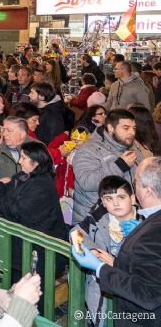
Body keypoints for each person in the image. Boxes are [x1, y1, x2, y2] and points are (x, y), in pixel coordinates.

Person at [72, 157, 161, 327]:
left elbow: (148, 294)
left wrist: (100, 268)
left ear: (146, 191)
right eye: (108, 199)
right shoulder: (100, 217)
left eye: (136, 182)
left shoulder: (151, 233)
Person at [0, 140, 67, 310]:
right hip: (22, 250)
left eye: (23, 158)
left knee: (34, 297)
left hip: (40, 253)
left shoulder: (42, 186)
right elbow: (9, 192)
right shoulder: (24, 176)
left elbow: (17, 212)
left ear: (35, 163)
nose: (19, 161)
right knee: (17, 289)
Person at [71, 176, 139, 327]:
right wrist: (89, 250)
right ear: (103, 202)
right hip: (98, 293)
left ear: (133, 198)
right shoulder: (97, 218)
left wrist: (115, 263)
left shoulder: (146, 223)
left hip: (129, 296)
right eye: (109, 198)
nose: (115, 203)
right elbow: (75, 233)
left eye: (121, 197)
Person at [71, 109, 145, 223]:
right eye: (126, 128)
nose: (132, 132)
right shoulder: (88, 149)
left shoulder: (131, 146)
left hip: (127, 217)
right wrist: (120, 166)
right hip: (96, 222)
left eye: (134, 128)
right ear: (111, 128)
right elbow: (86, 181)